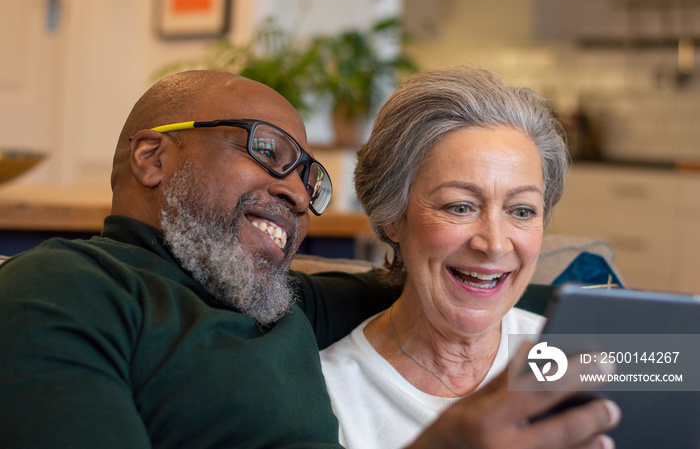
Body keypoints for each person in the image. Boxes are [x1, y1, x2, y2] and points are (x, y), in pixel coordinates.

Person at [0, 70, 619, 449]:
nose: (298, 193)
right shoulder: (63, 287)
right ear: (152, 157)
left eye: (308, 177)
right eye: (267, 150)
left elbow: (449, 294)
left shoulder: (281, 303)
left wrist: (629, 327)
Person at [321, 68, 619, 449]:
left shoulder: (584, 361)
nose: (494, 244)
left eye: (522, 211)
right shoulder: (329, 394)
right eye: (460, 207)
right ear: (393, 216)